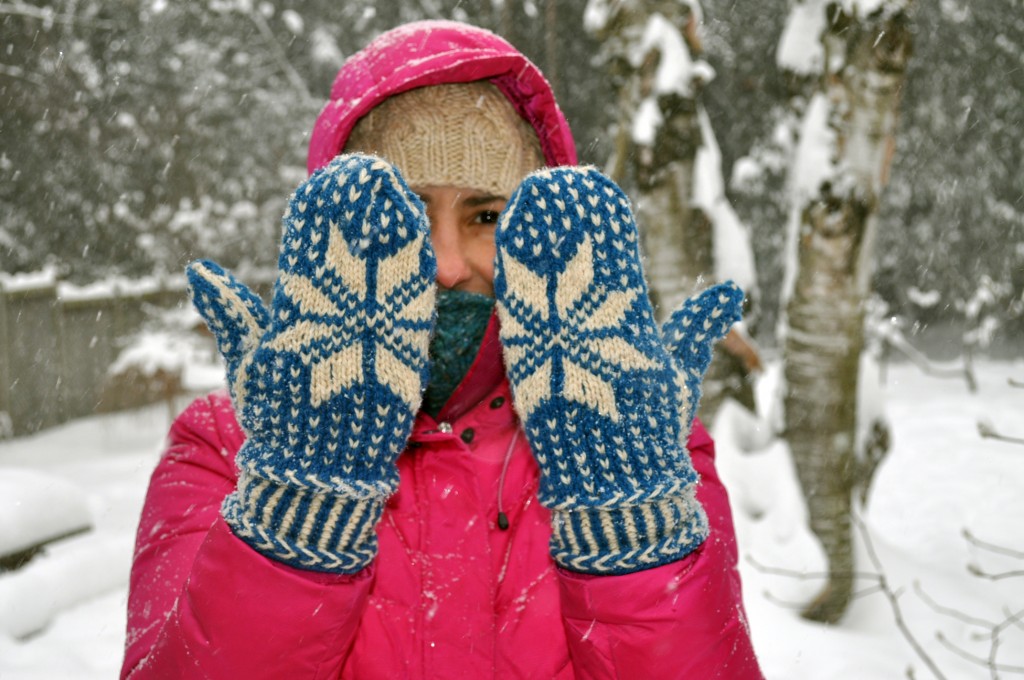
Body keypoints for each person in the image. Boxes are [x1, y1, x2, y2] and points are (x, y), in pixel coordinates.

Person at [121, 20, 764, 679]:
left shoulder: (648, 447)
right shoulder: (227, 452)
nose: (448, 266)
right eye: (407, 216)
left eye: (486, 216)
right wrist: (298, 515)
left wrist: (631, 524)